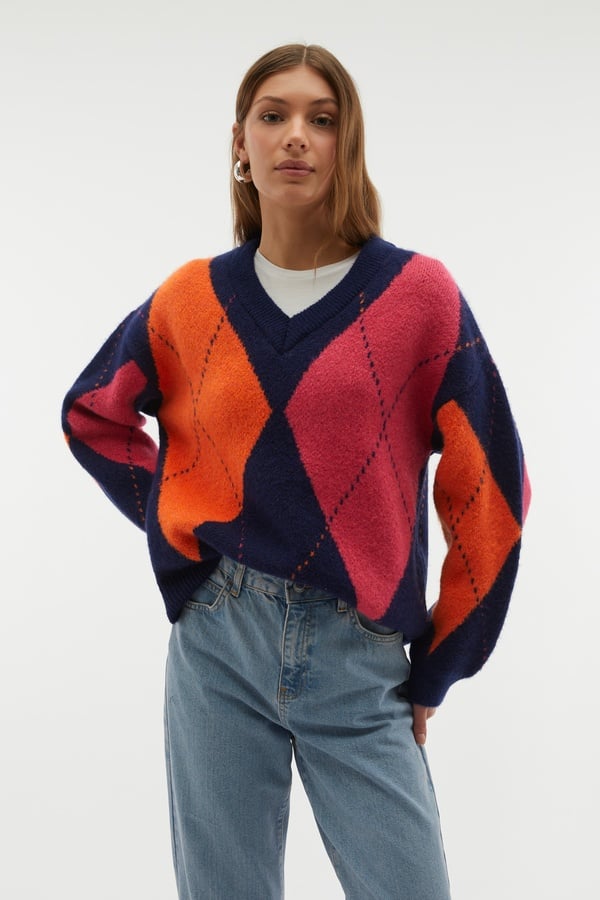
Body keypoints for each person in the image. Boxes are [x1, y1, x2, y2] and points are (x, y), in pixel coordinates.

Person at [62, 43, 530, 900]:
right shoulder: (190, 299)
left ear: (348, 144)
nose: (295, 136)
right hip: (216, 642)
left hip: (361, 659)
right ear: (240, 142)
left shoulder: (420, 297)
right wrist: (180, 520)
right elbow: (93, 412)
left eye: (322, 119)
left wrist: (442, 661)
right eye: (273, 116)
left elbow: (491, 488)